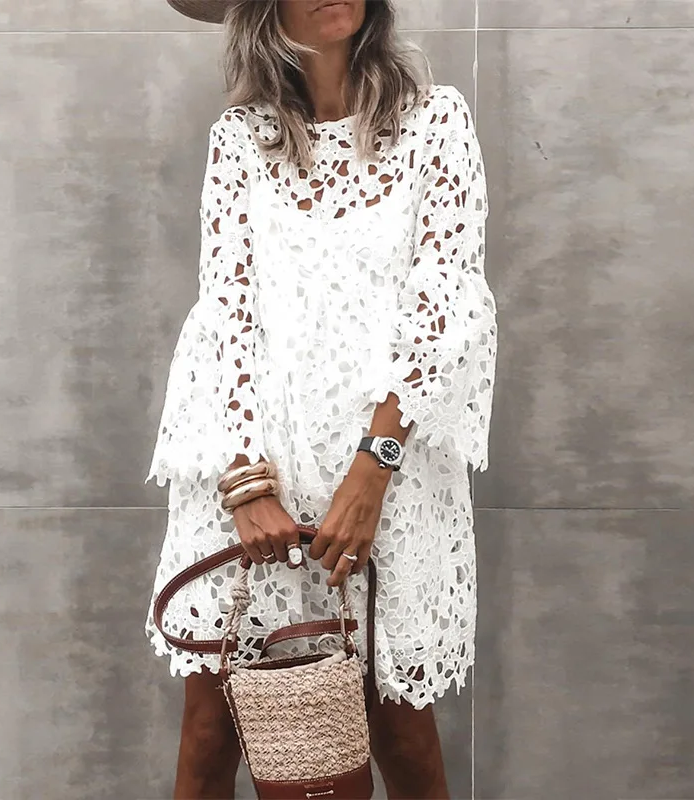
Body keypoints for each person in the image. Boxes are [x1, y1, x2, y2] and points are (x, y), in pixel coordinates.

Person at [144, 1, 499, 798]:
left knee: (400, 729)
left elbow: (445, 304)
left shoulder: (436, 122)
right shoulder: (241, 139)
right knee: (211, 728)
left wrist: (373, 471)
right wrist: (247, 484)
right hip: (250, 470)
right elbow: (228, 315)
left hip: (388, 475)